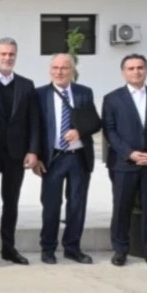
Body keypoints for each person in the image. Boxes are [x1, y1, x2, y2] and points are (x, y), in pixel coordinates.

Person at [102, 54, 147, 270]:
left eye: (140, 67)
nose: (136, 71)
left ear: (146, 70)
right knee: (121, 207)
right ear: (124, 72)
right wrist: (129, 153)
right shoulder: (112, 98)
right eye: (131, 68)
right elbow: (110, 130)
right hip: (125, 163)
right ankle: (120, 250)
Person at [34, 53, 102, 265]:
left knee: (77, 205)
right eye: (55, 67)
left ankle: (72, 248)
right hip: (53, 158)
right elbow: (34, 128)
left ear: (72, 71)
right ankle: (48, 249)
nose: (59, 72)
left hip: (79, 158)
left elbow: (95, 122)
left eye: (64, 68)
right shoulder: (39, 94)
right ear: (50, 70)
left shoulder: (84, 92)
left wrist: (79, 131)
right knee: (51, 206)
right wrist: (35, 156)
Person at [0, 38, 40, 265]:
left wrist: (33, 151)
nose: (7, 58)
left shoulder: (26, 85)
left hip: (16, 155)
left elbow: (34, 122)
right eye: (3, 54)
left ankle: (8, 247)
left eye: (11, 54)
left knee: (11, 202)